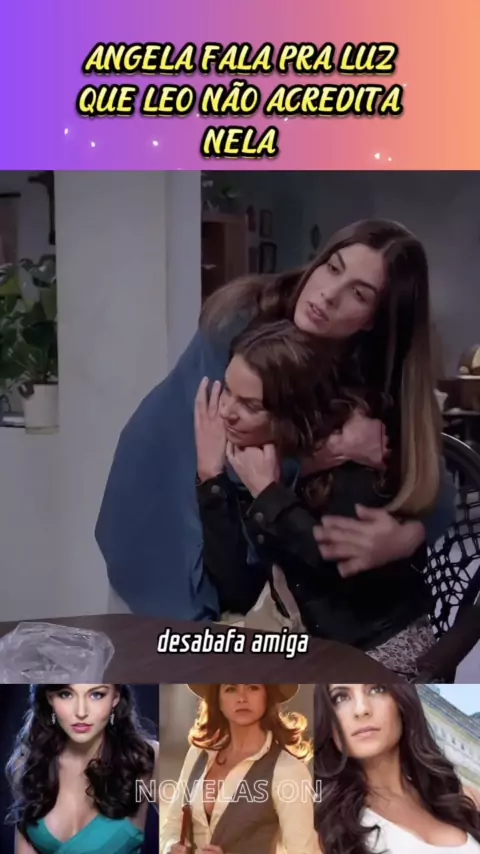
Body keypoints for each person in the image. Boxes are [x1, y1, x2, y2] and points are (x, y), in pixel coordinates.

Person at [96, 219, 456, 619]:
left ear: (376, 318)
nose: (328, 294)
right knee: (151, 648)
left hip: (247, 565)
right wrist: (334, 450)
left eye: (358, 293)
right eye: (332, 268)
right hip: (157, 516)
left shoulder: (370, 371)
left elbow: (436, 484)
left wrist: (407, 536)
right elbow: (235, 461)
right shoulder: (241, 322)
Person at [195, 320, 435, 679]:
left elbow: (342, 586)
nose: (227, 411)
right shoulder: (264, 458)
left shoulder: (356, 476)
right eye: (228, 391)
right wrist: (210, 476)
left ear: (293, 412)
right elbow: (237, 589)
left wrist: (270, 498)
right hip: (308, 641)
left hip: (376, 654)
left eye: (250, 405)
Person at [314, 683, 480, 854]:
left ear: (402, 702)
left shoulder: (462, 799)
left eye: (376, 689)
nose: (361, 709)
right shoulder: (319, 820)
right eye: (340, 697)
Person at [160, 683, 320, 854]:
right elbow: (172, 825)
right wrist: (171, 848)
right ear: (218, 700)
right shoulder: (199, 754)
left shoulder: (287, 770)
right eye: (231, 689)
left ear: (267, 695)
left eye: (253, 688)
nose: (242, 698)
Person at [6, 684, 159, 854]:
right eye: (66, 694)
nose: (81, 712)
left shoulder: (145, 760)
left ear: (115, 698)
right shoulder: (28, 766)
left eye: (96, 695)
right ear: (49, 698)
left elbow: (181, 832)